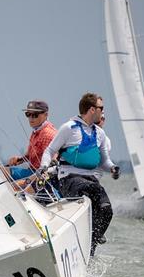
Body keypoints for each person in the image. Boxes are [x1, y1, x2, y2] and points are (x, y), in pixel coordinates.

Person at [39, 93, 120, 255]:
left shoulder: (100, 134)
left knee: (107, 210)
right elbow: (50, 150)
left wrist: (112, 168)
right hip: (69, 178)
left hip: (90, 180)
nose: (102, 112)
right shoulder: (69, 128)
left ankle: (91, 245)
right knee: (93, 190)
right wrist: (43, 167)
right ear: (91, 110)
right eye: (101, 108)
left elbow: (104, 161)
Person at [6, 100, 57, 183]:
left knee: (4, 173)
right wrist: (20, 159)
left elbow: (51, 166)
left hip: (39, 178)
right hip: (32, 172)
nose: (31, 118)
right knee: (0, 171)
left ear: (45, 115)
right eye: (28, 114)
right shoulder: (37, 130)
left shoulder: (48, 134)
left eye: (35, 115)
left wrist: (27, 182)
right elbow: (33, 154)